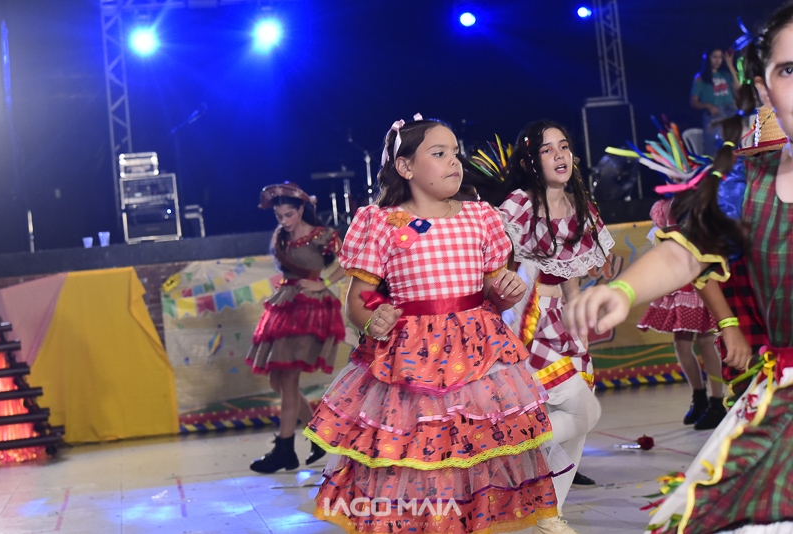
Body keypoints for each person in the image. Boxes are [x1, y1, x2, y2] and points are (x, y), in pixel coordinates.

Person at [563, 5, 793, 531]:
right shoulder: (747, 184)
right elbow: (684, 251)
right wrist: (624, 289)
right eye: (790, 69)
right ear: (764, 90)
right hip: (783, 398)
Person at [303, 115, 572, 534]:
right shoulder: (381, 222)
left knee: (479, 442)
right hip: (412, 359)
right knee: (422, 449)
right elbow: (357, 301)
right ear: (405, 167)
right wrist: (374, 320)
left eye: (455, 153)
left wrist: (508, 289)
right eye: (439, 153)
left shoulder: (480, 217)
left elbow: (494, 291)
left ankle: (477, 520)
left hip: (477, 350)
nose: (454, 161)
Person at [467, 121, 612, 533]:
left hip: (563, 322)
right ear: (531, 161)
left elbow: (571, 274)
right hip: (525, 322)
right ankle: (505, 443)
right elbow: (489, 258)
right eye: (547, 150)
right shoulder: (519, 204)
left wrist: (578, 322)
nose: (559, 155)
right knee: (584, 410)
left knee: (578, 421)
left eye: (563, 146)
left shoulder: (579, 203)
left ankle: (550, 513)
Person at [245, 182, 345, 474]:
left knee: (288, 379)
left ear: (301, 210)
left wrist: (324, 282)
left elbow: (351, 261)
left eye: (289, 215)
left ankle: (285, 448)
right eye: (279, 216)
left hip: (310, 310)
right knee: (278, 380)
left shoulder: (323, 236)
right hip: (286, 305)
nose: (284, 221)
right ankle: (318, 436)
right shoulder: (281, 236)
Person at [636, 198, 726, 430]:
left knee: (706, 341)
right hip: (679, 277)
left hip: (701, 274)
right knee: (682, 343)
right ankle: (699, 397)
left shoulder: (702, 199)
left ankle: (717, 401)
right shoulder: (663, 207)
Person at [690, 47, 741, 156]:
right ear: (708, 58)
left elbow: (738, 88)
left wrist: (730, 65)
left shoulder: (725, 75)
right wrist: (708, 105)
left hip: (730, 113)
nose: (718, 60)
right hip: (714, 115)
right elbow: (693, 102)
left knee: (734, 147)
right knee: (713, 150)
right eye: (714, 57)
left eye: (720, 57)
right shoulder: (700, 78)